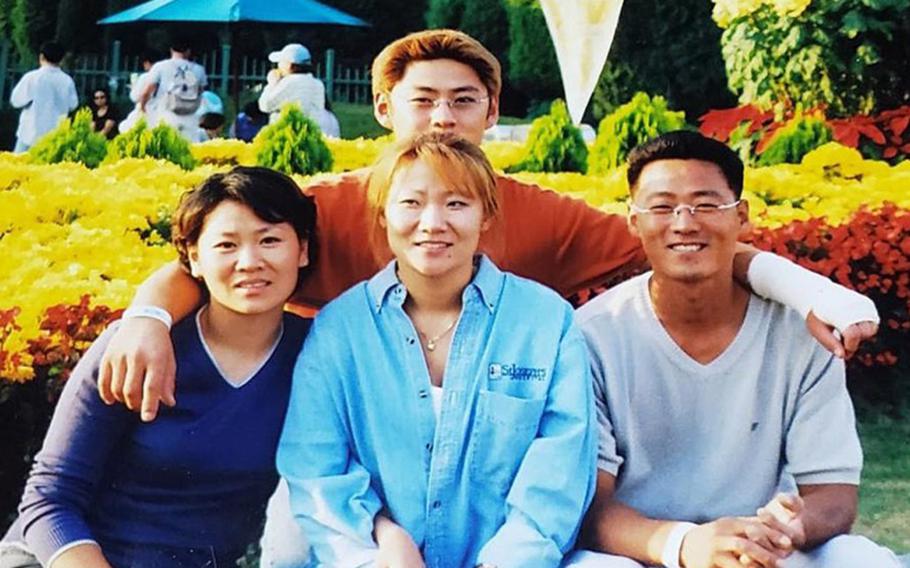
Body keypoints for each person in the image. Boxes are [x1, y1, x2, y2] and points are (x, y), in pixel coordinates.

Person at [97, 29, 878, 428]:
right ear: (384, 110)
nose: (442, 116)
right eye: (423, 98)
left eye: (464, 100)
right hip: (339, 432)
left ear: (492, 113)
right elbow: (215, 258)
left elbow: (687, 240)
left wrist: (801, 287)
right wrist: (145, 318)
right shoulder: (323, 206)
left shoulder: (542, 213)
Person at [567, 131, 900, 568]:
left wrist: (790, 528)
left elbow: (834, 496)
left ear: (741, 215)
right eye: (662, 207)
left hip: (762, 546)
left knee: (858, 559)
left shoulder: (803, 329)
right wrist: (688, 546)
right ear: (633, 220)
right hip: (644, 550)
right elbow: (592, 510)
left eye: (706, 204)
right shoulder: (592, 336)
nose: (685, 223)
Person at [278, 131, 595, 566]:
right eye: (411, 203)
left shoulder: (545, 321)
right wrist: (381, 541)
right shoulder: (340, 329)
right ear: (383, 213)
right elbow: (317, 467)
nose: (432, 222)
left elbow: (559, 469)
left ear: (486, 215)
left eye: (456, 203)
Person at [0, 167, 316, 568]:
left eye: (270, 240)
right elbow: (50, 497)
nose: (249, 262)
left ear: (302, 250)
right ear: (194, 259)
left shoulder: (317, 353)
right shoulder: (136, 346)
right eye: (226, 246)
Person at [9, 40, 78, 153]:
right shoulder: (67, 80)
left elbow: (16, 101)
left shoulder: (32, 77)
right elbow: (73, 105)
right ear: (61, 59)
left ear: (41, 57)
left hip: (30, 132)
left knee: (18, 165)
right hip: (56, 134)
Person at [139, 38, 207, 141]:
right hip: (190, 114)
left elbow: (147, 91)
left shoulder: (160, 66)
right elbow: (201, 91)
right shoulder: (199, 69)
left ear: (171, 50)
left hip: (166, 112)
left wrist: (143, 106)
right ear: (188, 51)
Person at [258, 43, 326, 124]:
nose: (278, 65)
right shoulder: (317, 84)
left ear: (290, 65)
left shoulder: (289, 82)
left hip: (287, 131)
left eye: (281, 62)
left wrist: (272, 84)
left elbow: (265, 105)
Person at [119, 50, 159, 134]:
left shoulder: (145, 77)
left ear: (147, 63)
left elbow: (135, 97)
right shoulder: (164, 77)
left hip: (144, 110)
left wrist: (133, 88)